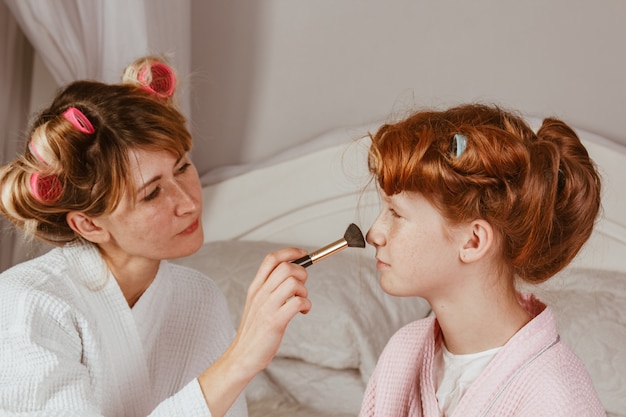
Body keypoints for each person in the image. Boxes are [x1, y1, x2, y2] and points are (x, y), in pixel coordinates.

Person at [0, 56, 311, 417]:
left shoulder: (200, 298)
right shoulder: (28, 302)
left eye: (183, 168)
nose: (188, 203)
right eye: (151, 193)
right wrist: (241, 358)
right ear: (89, 225)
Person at [359, 104, 605, 416]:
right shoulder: (403, 351)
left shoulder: (556, 398)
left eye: (395, 213)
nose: (373, 233)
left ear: (473, 241)